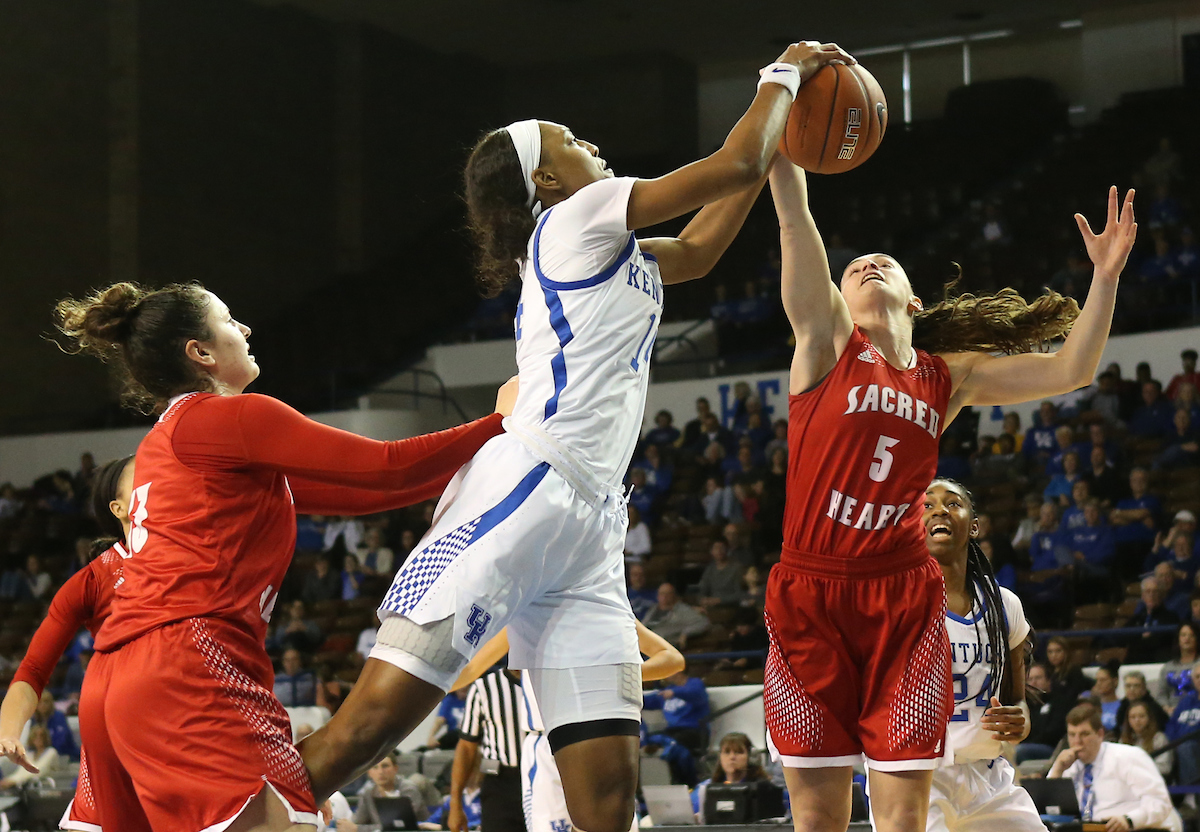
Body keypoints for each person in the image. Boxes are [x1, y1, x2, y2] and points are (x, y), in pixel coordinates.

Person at [298, 44, 861, 830]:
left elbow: (697, 251)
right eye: (569, 138)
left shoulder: (608, 245)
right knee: (363, 734)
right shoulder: (573, 218)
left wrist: (773, 157)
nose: (590, 143)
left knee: (603, 802)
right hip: (525, 487)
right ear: (545, 179)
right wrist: (783, 76)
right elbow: (729, 167)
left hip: (592, 525)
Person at [763, 135, 1136, 829]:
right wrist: (782, 118)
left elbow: (1070, 371)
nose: (869, 264)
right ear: (837, 299)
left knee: (903, 819)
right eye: (854, 267)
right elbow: (793, 222)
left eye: (885, 264)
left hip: (902, 599)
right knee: (819, 820)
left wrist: (1105, 278)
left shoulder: (945, 376)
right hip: (811, 591)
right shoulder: (824, 343)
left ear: (912, 302)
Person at [56, 281, 514, 832]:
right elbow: (388, 465)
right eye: (229, 320)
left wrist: (485, 446)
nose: (245, 329)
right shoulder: (227, 418)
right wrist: (499, 421)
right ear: (199, 353)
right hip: (189, 660)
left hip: (117, 675)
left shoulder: (170, 441)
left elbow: (373, 490)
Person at [0, 454, 134, 830]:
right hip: (116, 739)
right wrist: (9, 731)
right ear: (119, 508)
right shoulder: (92, 581)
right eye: (147, 478)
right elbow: (33, 669)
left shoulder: (193, 555)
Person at [453, 622, 682, 832]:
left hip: (605, 742)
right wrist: (427, 677)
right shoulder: (527, 614)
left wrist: (617, 674)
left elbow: (673, 658)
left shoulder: (610, 609)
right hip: (549, 744)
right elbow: (470, 671)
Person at [918, 479, 1042, 832]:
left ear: (974, 526)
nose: (939, 510)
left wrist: (1020, 721)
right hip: (917, 776)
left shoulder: (1004, 604)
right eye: (926, 506)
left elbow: (1018, 699)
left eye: (952, 503)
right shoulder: (896, 602)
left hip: (988, 777)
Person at [1049, 704, 1182, 832]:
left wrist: (1129, 820)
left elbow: (1160, 803)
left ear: (1100, 734)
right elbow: (1048, 807)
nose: (1077, 741)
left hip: (1139, 829)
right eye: (1072, 735)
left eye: (1084, 734)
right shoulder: (1068, 766)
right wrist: (1057, 770)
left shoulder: (1128, 756)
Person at [450, 666, 527, 832]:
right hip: (501, 782)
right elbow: (466, 747)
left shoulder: (552, 681)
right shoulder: (484, 687)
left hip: (546, 777)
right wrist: (455, 803)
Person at [693, 733, 774, 823]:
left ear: (751, 757)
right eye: (727, 752)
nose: (732, 757)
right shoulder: (705, 788)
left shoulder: (766, 789)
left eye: (739, 752)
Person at [643, 669, 710, 758]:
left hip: (694, 730)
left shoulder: (695, 683)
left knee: (671, 742)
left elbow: (697, 694)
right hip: (673, 730)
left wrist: (675, 693)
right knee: (649, 739)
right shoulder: (668, 690)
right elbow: (649, 700)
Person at [354, 753, 430, 825]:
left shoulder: (409, 789)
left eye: (385, 766)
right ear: (369, 772)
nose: (380, 772)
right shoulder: (368, 793)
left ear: (395, 769)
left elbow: (398, 825)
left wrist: (360, 829)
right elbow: (358, 822)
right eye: (375, 767)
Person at [641, 582, 711, 648]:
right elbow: (643, 626)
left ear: (673, 595)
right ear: (657, 596)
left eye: (668, 594)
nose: (664, 597)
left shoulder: (683, 610)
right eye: (662, 594)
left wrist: (686, 633)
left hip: (665, 646)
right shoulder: (653, 609)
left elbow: (703, 622)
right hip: (644, 643)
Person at [1120, 700, 1173, 779]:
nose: (1137, 720)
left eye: (1141, 716)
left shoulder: (1159, 738)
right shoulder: (1123, 740)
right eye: (1133, 717)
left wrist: (1137, 769)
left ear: (1149, 718)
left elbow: (1165, 767)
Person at [0, 725, 60, 790]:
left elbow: (38, 771)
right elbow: (21, 772)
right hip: (28, 785)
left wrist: (13, 781)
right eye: (35, 736)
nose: (38, 738)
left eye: (41, 736)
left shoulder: (51, 752)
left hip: (46, 786)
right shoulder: (30, 754)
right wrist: (8, 780)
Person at [1159, 622, 1199, 712]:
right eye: (1183, 635)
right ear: (1178, 639)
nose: (1187, 639)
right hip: (1172, 712)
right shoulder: (1168, 667)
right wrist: (1167, 708)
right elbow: (1161, 694)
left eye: (1191, 635)